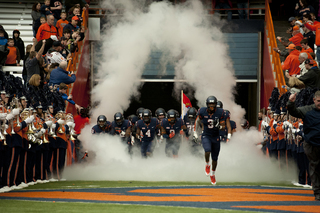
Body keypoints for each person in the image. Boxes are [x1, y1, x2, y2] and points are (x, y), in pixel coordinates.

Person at [287, 91, 320, 201]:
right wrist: (291, 102)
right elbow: (294, 112)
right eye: (319, 101)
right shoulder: (307, 110)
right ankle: (317, 192)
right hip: (311, 144)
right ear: (314, 100)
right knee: (315, 166)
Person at [194, 96, 231, 185]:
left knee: (215, 158)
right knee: (207, 150)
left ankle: (213, 174)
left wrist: (218, 125)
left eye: (213, 104)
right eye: (210, 104)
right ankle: (207, 164)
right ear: (207, 104)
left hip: (216, 136)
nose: (211, 106)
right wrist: (195, 132)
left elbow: (223, 127)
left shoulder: (220, 113)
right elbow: (197, 121)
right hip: (206, 135)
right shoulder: (202, 111)